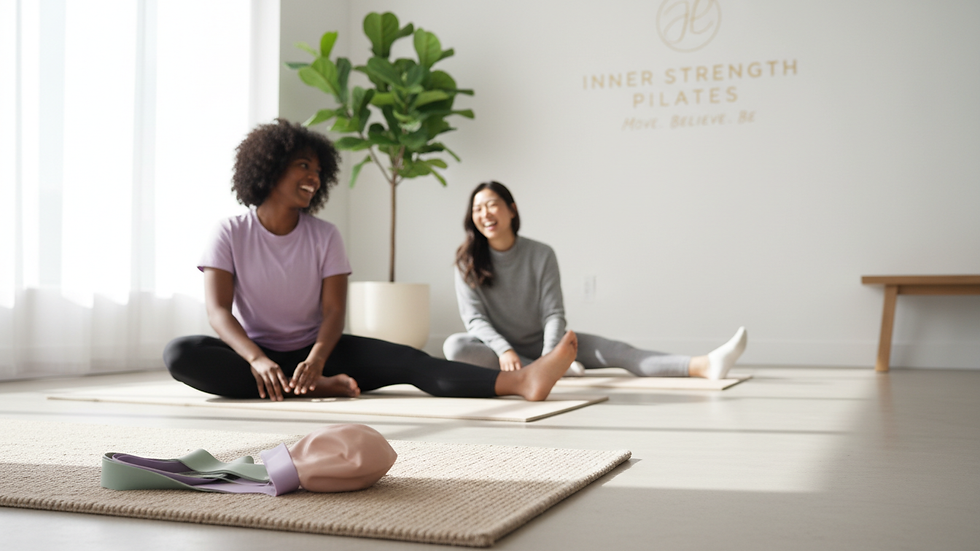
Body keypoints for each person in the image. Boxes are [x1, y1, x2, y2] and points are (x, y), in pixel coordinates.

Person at [163, 120, 577, 402]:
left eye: (319, 170)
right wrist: (256, 358)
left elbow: (333, 311)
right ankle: (312, 388)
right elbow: (218, 311)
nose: (314, 177)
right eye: (303, 166)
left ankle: (521, 380)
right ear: (270, 168)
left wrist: (318, 360)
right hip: (256, 355)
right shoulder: (229, 232)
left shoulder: (325, 235)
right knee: (180, 353)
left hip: (321, 352)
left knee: (414, 362)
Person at [444, 181, 747, 380]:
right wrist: (503, 350)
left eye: (492, 204)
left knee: (619, 351)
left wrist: (552, 355)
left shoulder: (541, 254)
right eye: (477, 208)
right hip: (503, 350)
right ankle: (546, 371)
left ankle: (704, 365)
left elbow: (553, 313)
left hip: (548, 341)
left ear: (511, 209)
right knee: (456, 347)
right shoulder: (466, 261)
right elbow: (475, 320)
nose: (484, 213)